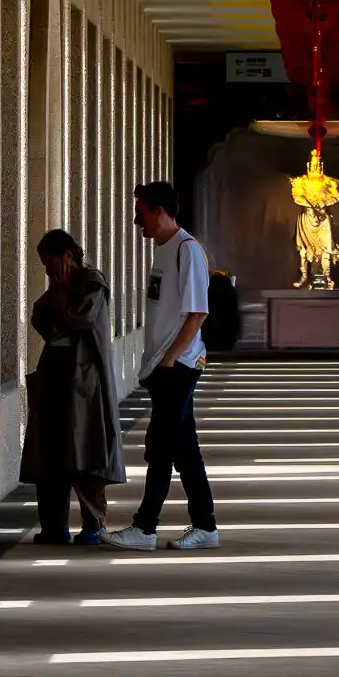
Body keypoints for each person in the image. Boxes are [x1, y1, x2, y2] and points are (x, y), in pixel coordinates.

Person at [105, 182, 219, 551]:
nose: (138, 223)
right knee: (184, 449)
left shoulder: (188, 251)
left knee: (161, 446)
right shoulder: (163, 250)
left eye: (140, 214)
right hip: (161, 367)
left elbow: (198, 312)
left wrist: (170, 360)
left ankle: (145, 527)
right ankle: (206, 526)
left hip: (179, 366)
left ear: (158, 211)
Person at [20, 228, 125, 545]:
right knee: (50, 453)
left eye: (50, 262)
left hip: (84, 382)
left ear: (67, 256)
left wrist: (62, 293)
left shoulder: (92, 283)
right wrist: (56, 290)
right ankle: (53, 526)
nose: (49, 271)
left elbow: (77, 320)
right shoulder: (58, 288)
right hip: (54, 375)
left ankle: (94, 523)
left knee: (85, 450)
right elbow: (40, 318)